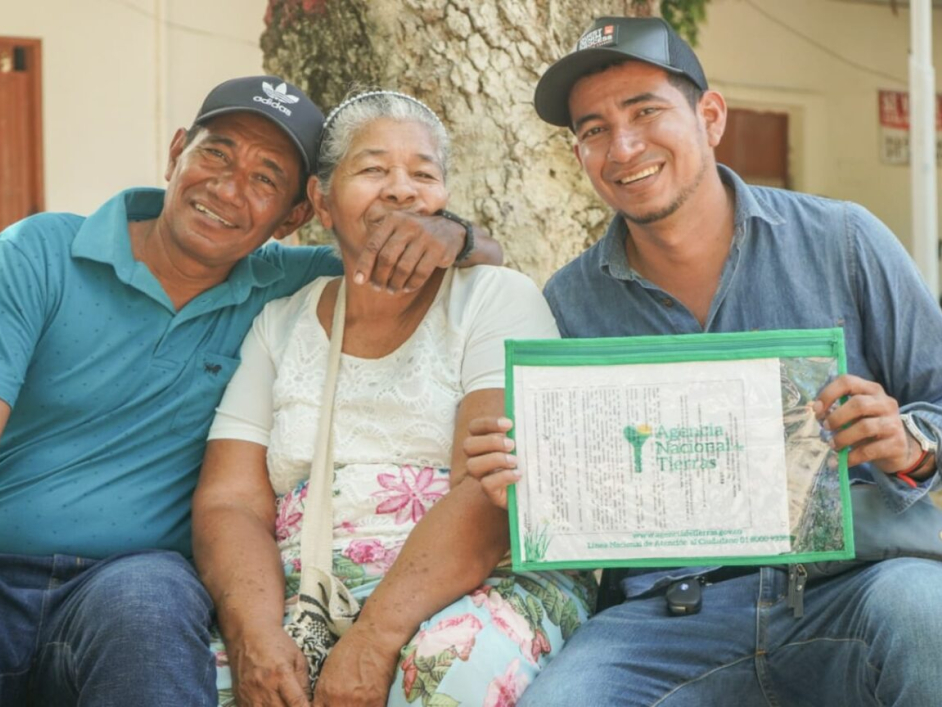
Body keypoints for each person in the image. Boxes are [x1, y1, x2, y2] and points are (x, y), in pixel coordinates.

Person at [464, 16, 942, 707]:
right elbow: (570, 499)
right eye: (595, 129)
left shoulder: (844, 240)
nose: (624, 146)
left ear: (710, 117)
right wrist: (524, 487)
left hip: (856, 587)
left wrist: (912, 444)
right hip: (666, 620)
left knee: (928, 617)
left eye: (645, 111)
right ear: (579, 154)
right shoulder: (568, 302)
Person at [0, 75, 500, 706]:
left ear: (295, 216)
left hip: (129, 581)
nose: (229, 188)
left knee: (149, 606)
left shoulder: (290, 293)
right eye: (216, 153)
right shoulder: (39, 253)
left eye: (265, 178)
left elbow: (429, 255)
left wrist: (455, 233)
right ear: (176, 151)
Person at [192, 89, 596, 707]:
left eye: (423, 175)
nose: (402, 190)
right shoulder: (280, 321)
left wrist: (374, 639)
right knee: (197, 678)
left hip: (474, 585)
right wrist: (257, 635)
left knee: (442, 671)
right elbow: (231, 500)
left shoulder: (495, 299)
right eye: (373, 169)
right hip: (305, 599)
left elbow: (489, 491)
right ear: (321, 201)